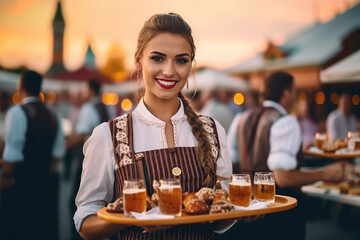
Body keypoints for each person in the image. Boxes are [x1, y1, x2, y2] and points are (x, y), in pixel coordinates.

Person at [74, 13, 236, 240]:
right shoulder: (107, 135)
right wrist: (131, 217)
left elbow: (221, 215)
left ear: (191, 65)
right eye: (158, 58)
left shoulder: (213, 130)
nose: (169, 71)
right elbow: (86, 221)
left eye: (181, 60)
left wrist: (241, 211)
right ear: (138, 60)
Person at [221, 71, 345, 240]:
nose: (295, 96)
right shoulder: (286, 121)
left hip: (247, 210)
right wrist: (327, 173)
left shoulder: (241, 117)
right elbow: (283, 177)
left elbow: (230, 164)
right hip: (279, 212)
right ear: (286, 93)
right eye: (295, 91)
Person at [0, 69, 65, 240]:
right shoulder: (53, 114)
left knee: (17, 231)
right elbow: (58, 153)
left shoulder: (17, 112)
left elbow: (12, 155)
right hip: (45, 185)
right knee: (41, 231)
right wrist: (43, 175)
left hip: (19, 186)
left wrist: (6, 175)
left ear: (20, 86)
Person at [67, 79, 116, 240]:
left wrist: (65, 146)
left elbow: (82, 134)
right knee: (105, 201)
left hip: (90, 156)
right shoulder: (107, 107)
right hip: (110, 157)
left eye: (85, 89)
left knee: (78, 202)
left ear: (91, 91)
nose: (83, 92)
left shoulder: (88, 108)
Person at [227, 91, 260, 173]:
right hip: (263, 169)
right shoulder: (270, 117)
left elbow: (231, 146)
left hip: (243, 167)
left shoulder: (240, 117)